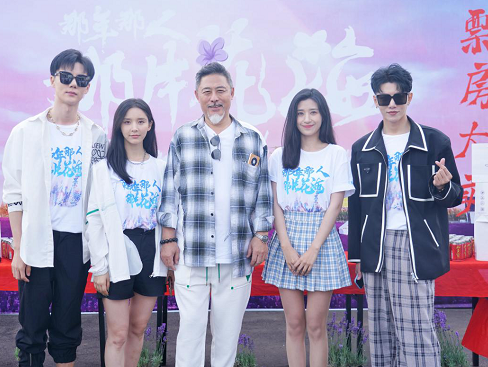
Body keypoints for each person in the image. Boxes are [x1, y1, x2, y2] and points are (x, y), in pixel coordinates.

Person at [158, 62, 273, 367]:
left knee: (227, 338)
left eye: (220, 90)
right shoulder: (183, 136)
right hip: (191, 254)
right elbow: (170, 191)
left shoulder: (252, 138)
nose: (214, 98)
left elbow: (263, 193)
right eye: (207, 91)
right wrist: (168, 239)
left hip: (237, 255)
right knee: (190, 334)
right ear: (197, 95)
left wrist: (262, 236)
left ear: (232, 93)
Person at [348, 63, 462, 366]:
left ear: (409, 97)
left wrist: (442, 186)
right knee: (381, 332)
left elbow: (455, 195)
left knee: (416, 332)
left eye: (399, 97)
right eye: (384, 98)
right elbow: (357, 207)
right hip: (375, 247)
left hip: (415, 244)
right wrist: (357, 257)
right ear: (375, 100)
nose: (392, 104)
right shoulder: (362, 148)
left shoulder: (434, 142)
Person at [2, 49, 107, 367]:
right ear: (52, 80)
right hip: (36, 240)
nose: (73, 84)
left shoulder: (97, 136)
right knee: (31, 325)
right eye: (66, 76)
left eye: (81, 80)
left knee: (67, 324)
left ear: (87, 88)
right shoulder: (25, 132)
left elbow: (100, 193)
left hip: (76, 242)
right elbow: (14, 193)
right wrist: (18, 247)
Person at [262, 88, 354, 367]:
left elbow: (335, 206)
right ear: (293, 118)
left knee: (315, 325)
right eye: (300, 113)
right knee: (293, 323)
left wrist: (314, 249)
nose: (307, 119)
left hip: (321, 241)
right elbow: (275, 204)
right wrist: (286, 247)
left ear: (323, 116)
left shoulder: (336, 154)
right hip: (287, 238)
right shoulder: (279, 156)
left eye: (313, 112)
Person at [85, 98, 168, 367]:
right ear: (119, 126)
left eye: (140, 121)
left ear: (150, 126)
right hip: (117, 249)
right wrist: (100, 266)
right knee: (118, 334)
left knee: (138, 328)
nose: (134, 128)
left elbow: (170, 214)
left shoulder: (161, 168)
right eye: (127, 121)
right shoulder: (104, 169)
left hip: (151, 249)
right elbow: (94, 220)